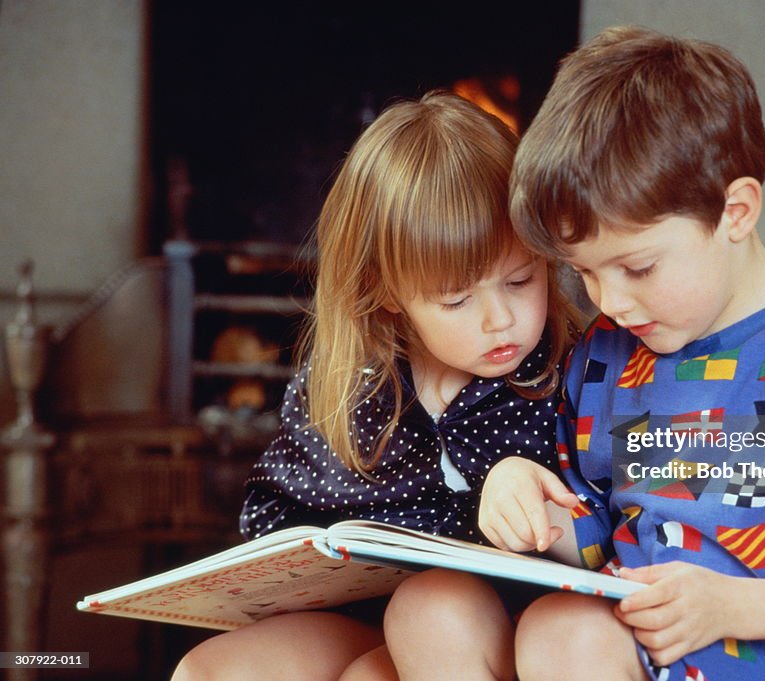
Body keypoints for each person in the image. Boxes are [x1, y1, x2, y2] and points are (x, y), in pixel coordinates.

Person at [478, 26, 765, 681]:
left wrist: (730, 606)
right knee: (554, 628)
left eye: (637, 267)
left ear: (737, 211)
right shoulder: (609, 355)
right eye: (585, 272)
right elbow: (597, 536)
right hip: (631, 645)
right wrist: (524, 496)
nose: (608, 301)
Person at [171, 91, 579, 681]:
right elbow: (276, 516)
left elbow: (617, 520)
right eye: (457, 299)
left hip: (500, 625)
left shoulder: (569, 373)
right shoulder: (348, 383)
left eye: (521, 280)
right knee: (205, 671)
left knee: (407, 635)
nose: (500, 319)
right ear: (389, 292)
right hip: (364, 607)